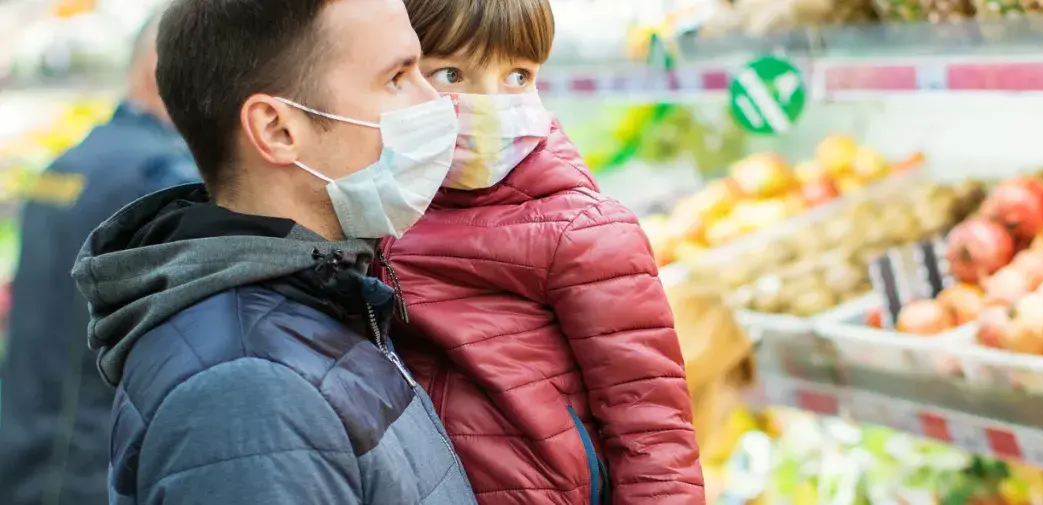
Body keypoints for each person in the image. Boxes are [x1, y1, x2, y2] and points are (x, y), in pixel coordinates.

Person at [68, 0, 480, 503]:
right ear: (276, 129)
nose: (434, 101)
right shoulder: (248, 391)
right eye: (396, 77)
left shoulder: (324, 298)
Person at [380, 0, 705, 503]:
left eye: (517, 76)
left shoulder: (585, 230)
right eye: (451, 73)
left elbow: (654, 433)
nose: (490, 102)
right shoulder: (379, 212)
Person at [0, 16, 197, 505]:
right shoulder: (160, 176)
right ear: (165, 66)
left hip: (27, 444)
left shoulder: (68, 161)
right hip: (85, 460)